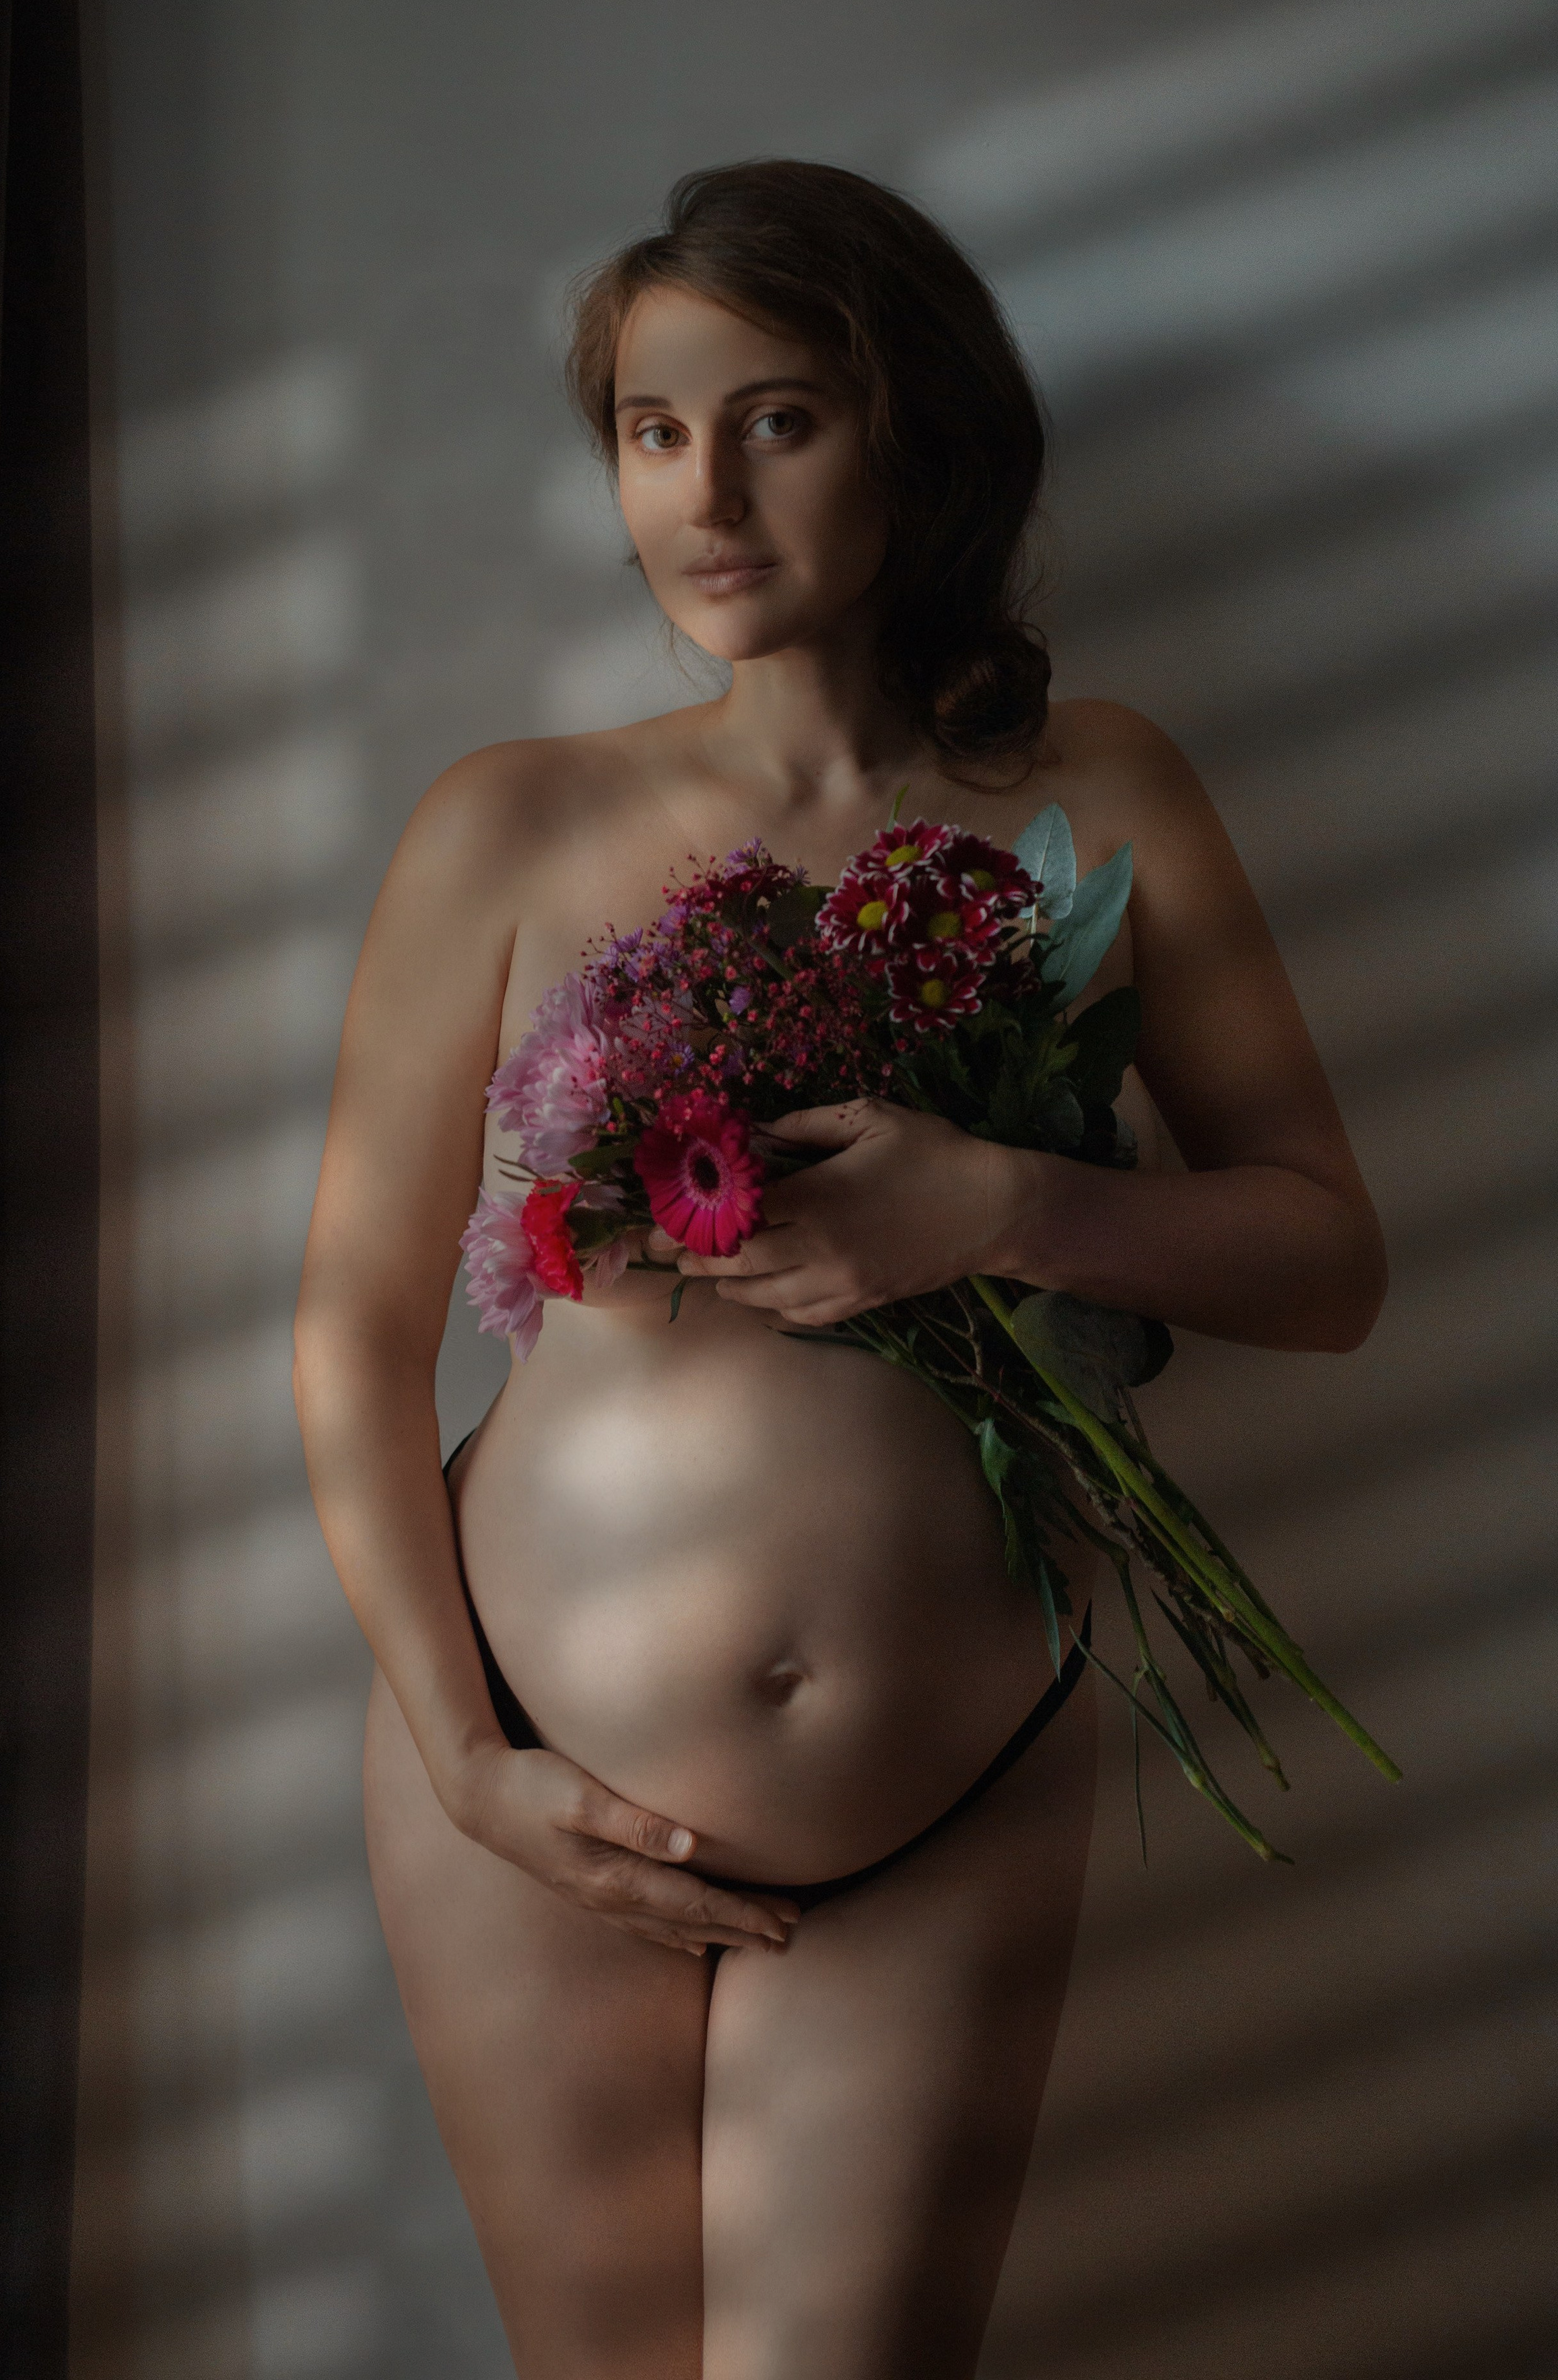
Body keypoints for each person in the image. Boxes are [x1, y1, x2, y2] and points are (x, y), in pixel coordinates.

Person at [293, 160, 1386, 2380]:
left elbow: (1325, 1255)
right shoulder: (506, 824)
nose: (704, 489)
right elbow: (347, 1325)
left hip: (951, 1781)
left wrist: (1005, 1202)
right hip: (526, 1763)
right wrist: (463, 1748)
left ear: (920, 433)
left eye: (779, 416)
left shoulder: (1103, 800)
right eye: (650, 426)